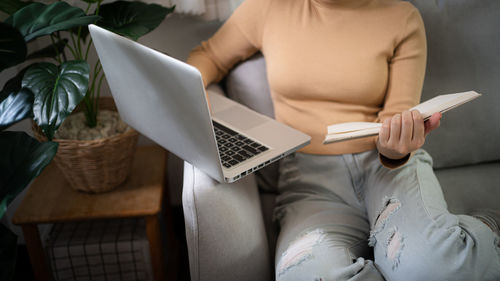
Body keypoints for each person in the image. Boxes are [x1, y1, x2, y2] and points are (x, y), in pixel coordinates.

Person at [186, 0, 500, 280]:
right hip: (308, 181)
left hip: (388, 170)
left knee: (437, 271)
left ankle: (485, 229)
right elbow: (208, 56)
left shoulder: (401, 16)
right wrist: (200, 106)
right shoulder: (267, 7)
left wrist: (395, 146)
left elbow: (397, 112)